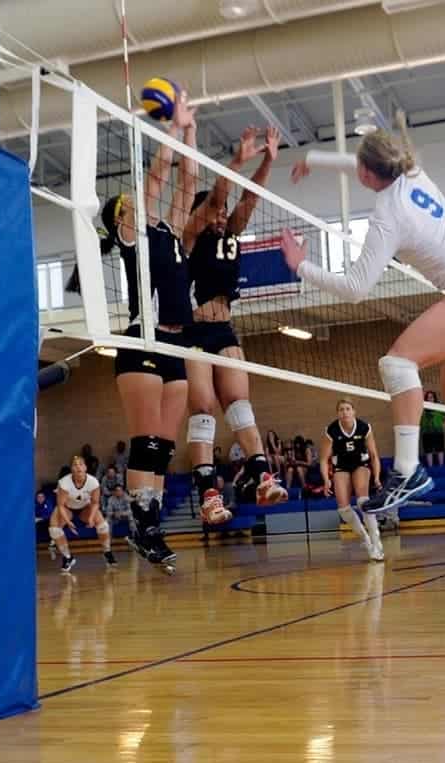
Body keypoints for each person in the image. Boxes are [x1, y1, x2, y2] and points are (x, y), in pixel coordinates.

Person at [282, 110, 445, 513]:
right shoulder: (413, 171)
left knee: (397, 363)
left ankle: (407, 470)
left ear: (367, 174)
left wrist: (300, 266)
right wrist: (313, 159)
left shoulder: (387, 216)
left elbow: (355, 289)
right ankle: (409, 469)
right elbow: (358, 162)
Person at [99, 88, 197, 568]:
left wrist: (191, 130)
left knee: (165, 445)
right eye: (126, 205)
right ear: (119, 220)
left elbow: (187, 181)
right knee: (148, 441)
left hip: (176, 343)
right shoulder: (131, 235)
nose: (133, 205)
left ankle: (148, 525)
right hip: (142, 340)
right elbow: (158, 178)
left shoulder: (170, 232)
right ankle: (143, 525)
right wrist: (171, 128)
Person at [183, 126, 287, 523]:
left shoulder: (232, 233)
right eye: (216, 210)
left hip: (225, 329)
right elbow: (219, 196)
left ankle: (263, 478)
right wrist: (237, 160)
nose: (223, 214)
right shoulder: (190, 237)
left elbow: (249, 198)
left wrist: (267, 161)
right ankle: (209, 495)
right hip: (192, 331)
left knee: (240, 405)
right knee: (204, 407)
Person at [320, 399, 384, 562]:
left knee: (363, 501)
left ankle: (377, 543)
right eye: (341, 409)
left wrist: (376, 477)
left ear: (354, 411)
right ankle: (365, 539)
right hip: (341, 467)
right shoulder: (331, 430)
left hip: (360, 465)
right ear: (337, 413)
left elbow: (374, 455)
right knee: (343, 509)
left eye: (348, 409)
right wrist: (326, 480)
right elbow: (323, 459)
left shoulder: (364, 427)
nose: (345, 412)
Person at [50, 456, 117, 572]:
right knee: (54, 529)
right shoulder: (64, 483)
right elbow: (60, 505)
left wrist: (91, 518)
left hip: (85, 508)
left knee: (103, 525)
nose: (78, 467)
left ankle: (107, 552)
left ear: (85, 468)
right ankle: (67, 557)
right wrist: (68, 522)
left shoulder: (93, 482)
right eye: (75, 465)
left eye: (81, 464)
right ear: (72, 469)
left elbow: (95, 503)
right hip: (67, 508)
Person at [420, 390, 445, 467]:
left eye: (431, 397)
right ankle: (431, 467)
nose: (430, 399)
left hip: (438, 431)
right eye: (428, 398)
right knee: (428, 450)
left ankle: (441, 467)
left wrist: (444, 424)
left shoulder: (439, 407)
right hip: (426, 432)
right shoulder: (423, 408)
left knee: (440, 449)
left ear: (434, 398)